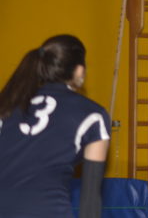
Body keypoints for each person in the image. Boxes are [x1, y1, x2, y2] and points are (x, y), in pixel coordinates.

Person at [0, 34, 110, 218]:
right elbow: (90, 199)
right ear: (79, 71)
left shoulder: (7, 106)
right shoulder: (92, 114)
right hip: (48, 210)